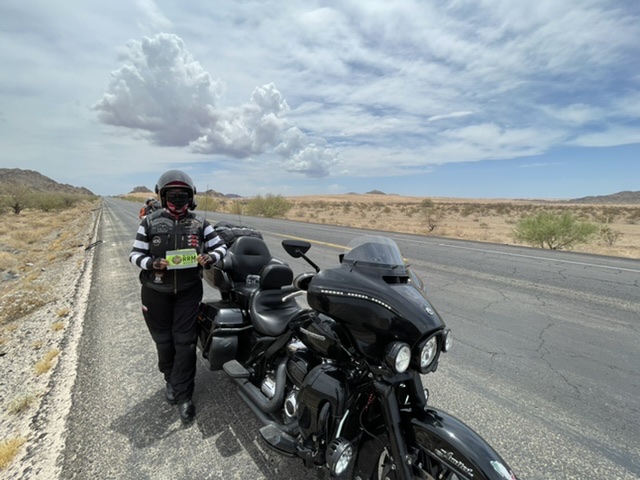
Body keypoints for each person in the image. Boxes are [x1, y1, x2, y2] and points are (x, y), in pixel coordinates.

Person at [129, 170, 227, 423]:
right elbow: (135, 254)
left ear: (191, 197)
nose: (178, 199)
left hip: (187, 292)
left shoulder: (200, 224)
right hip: (155, 292)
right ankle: (169, 379)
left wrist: (210, 258)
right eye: (172, 195)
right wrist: (152, 263)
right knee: (164, 342)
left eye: (182, 195)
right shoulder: (149, 223)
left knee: (184, 343)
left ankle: (185, 395)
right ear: (162, 196)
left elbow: (220, 247)